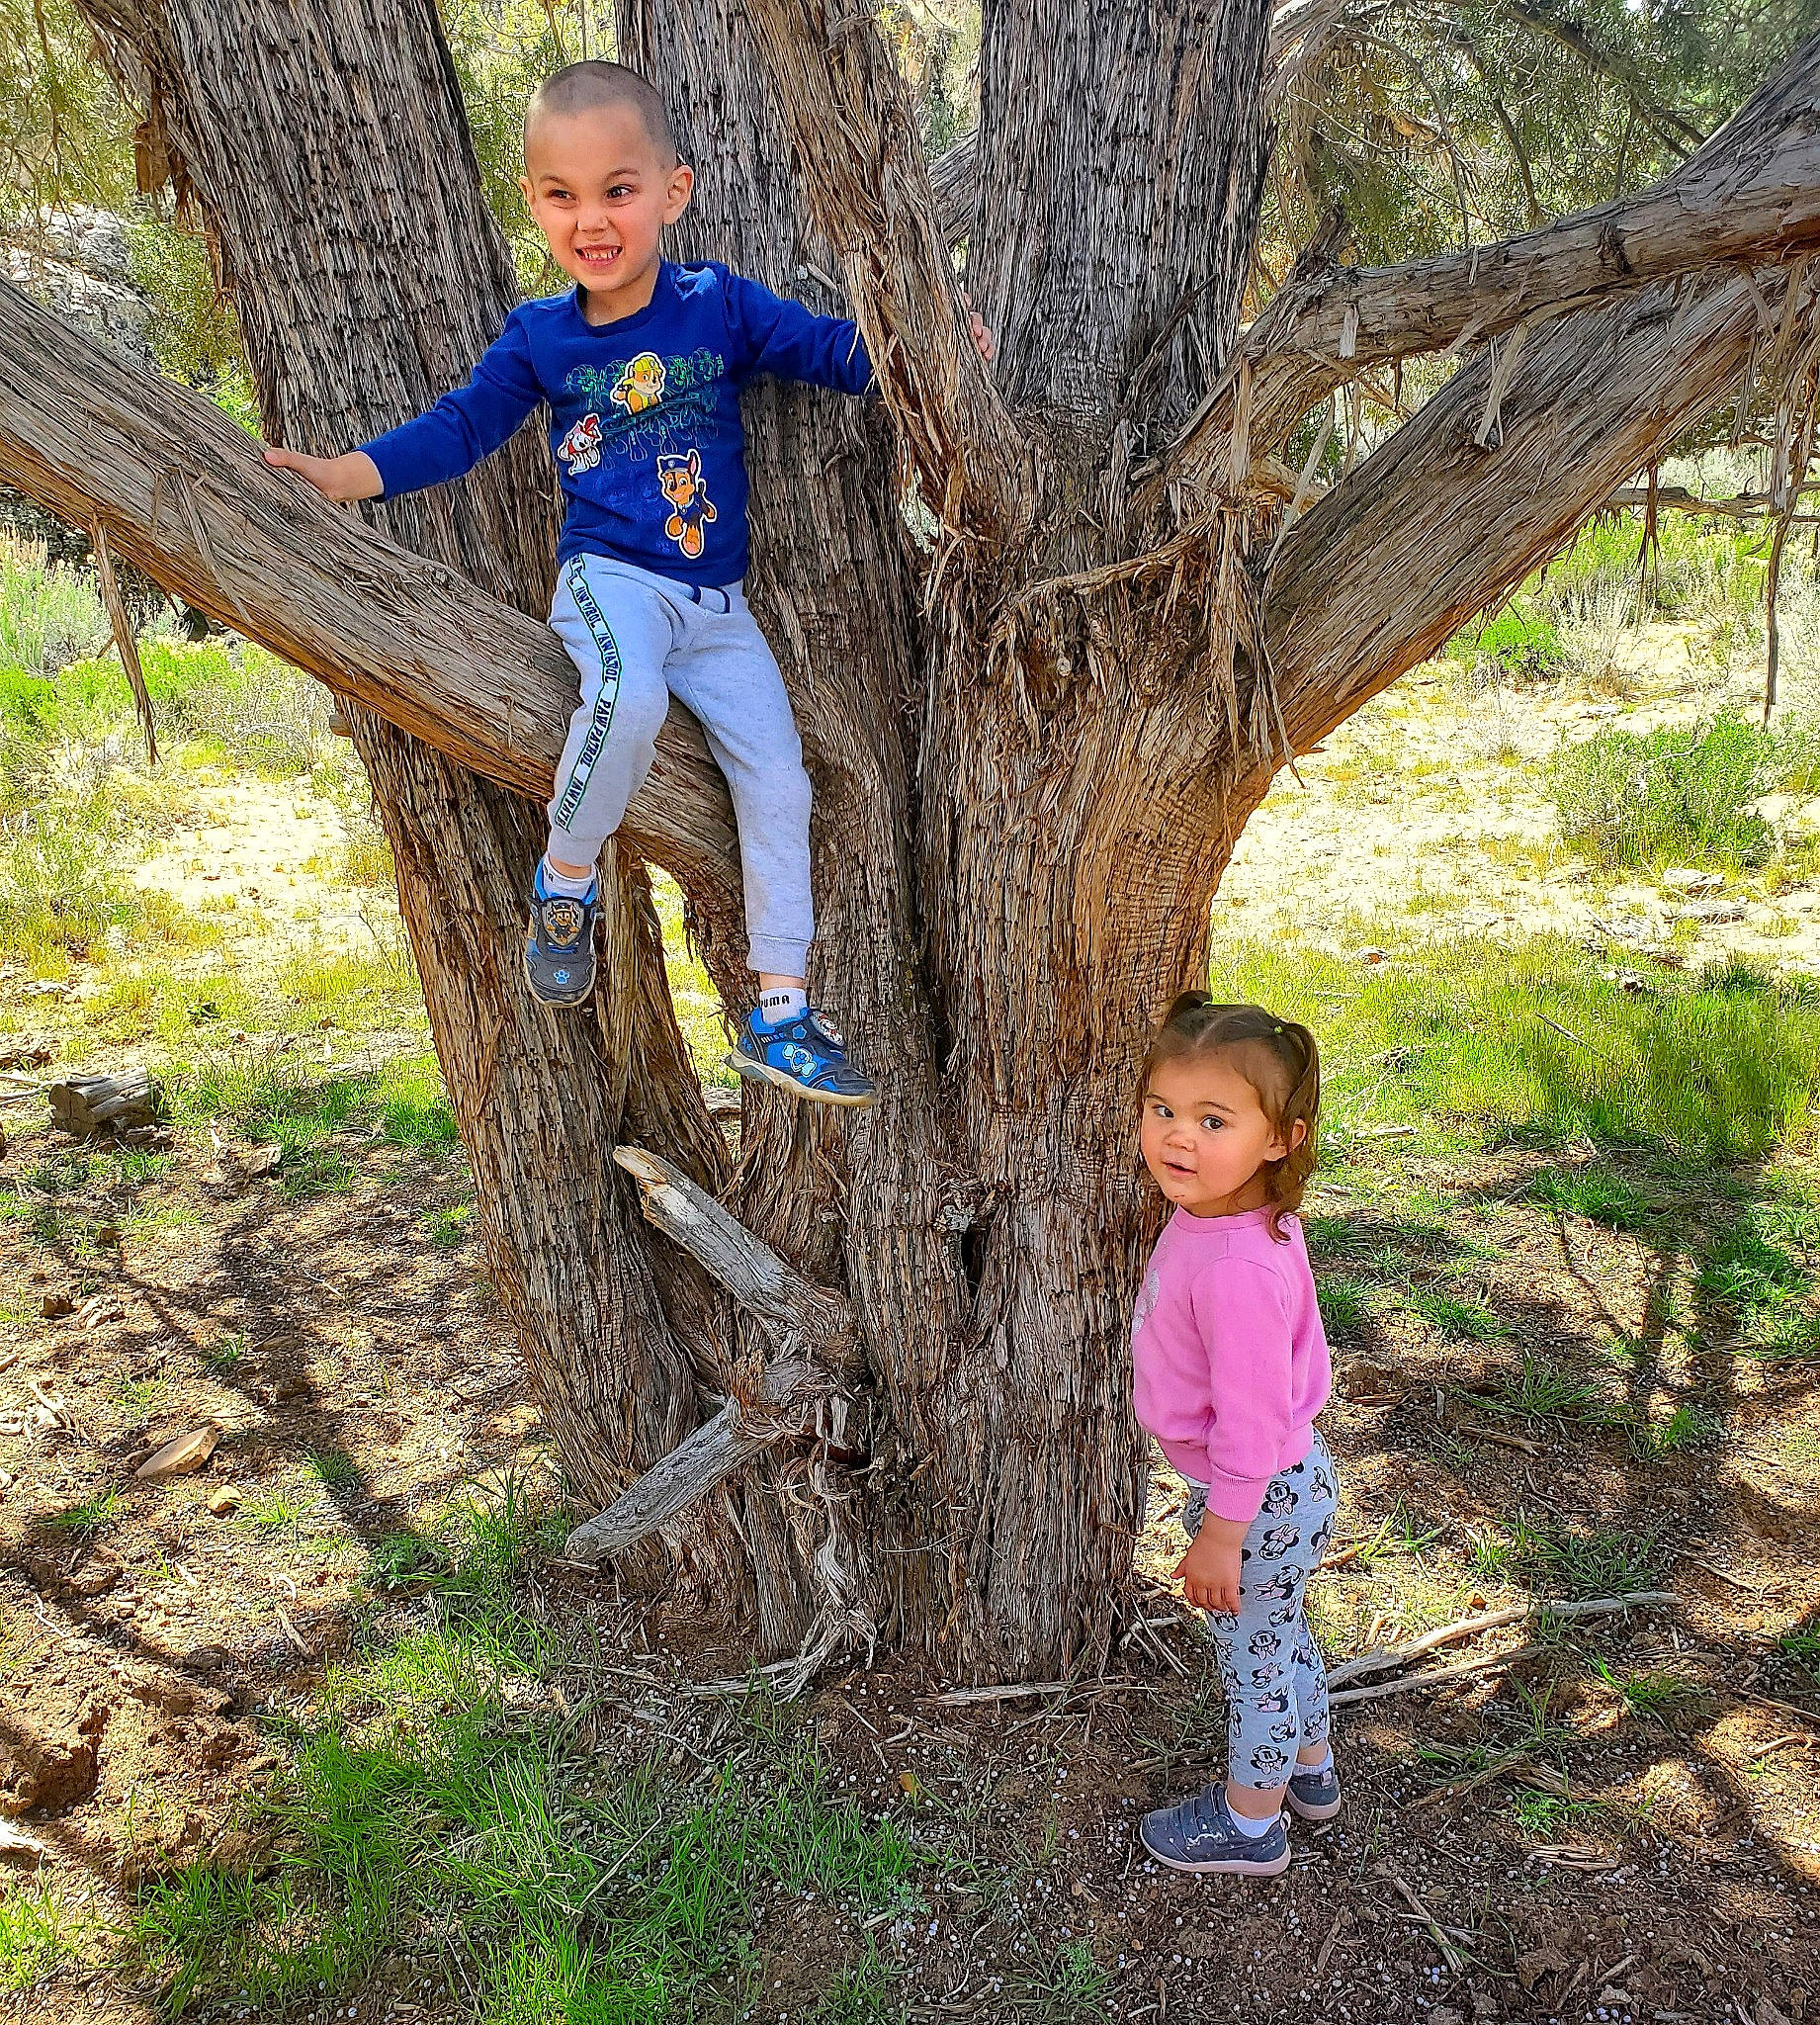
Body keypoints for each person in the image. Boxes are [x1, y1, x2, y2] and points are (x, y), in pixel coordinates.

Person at [263, 59, 991, 1106]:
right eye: (562, 195)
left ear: (671, 191)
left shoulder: (717, 307)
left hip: (719, 608)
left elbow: (829, 350)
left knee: (780, 783)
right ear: (534, 204)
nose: (591, 219)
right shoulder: (542, 337)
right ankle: (564, 883)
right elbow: (461, 428)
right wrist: (347, 474)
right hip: (612, 584)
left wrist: (923, 356)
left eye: (618, 189)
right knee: (626, 697)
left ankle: (779, 1012)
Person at [1129, 995, 1338, 1878]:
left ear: (1279, 1138)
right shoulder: (1231, 1218)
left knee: (1254, 1659)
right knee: (1282, 1634)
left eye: (1213, 1120)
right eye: (1162, 1110)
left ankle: (1250, 1827)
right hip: (1280, 1488)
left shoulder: (1236, 1269)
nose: (1178, 1138)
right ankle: (1310, 1772)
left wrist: (1221, 1534)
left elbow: (1250, 1425)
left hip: (1256, 1497)